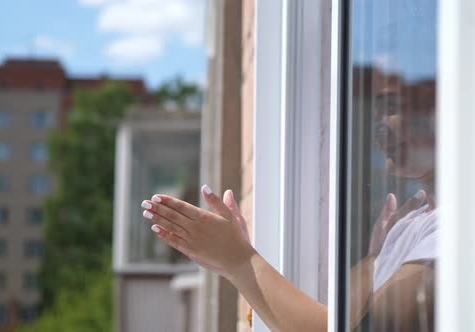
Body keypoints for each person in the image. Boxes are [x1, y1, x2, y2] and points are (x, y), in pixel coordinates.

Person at [139, 70, 437, 331]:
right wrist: (374, 258)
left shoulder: (456, 227)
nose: (379, 128)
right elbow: (337, 319)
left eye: (392, 107)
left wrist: (240, 261)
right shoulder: (411, 223)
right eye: (375, 116)